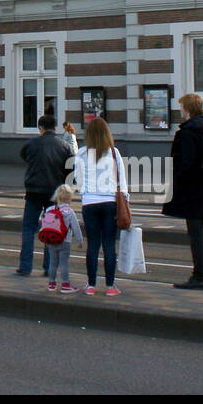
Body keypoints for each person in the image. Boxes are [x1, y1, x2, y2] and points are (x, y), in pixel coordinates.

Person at [162, 92, 203, 290]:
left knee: (196, 233)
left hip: (192, 190)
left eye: (181, 108)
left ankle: (199, 276)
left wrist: (178, 180)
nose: (180, 111)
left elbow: (185, 163)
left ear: (187, 109)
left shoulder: (188, 131)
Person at [74, 117, 127, 295]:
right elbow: (122, 180)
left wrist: (86, 192)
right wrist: (125, 200)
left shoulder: (81, 153)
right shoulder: (113, 152)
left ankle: (91, 285)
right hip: (110, 202)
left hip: (89, 202)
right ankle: (111, 286)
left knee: (93, 244)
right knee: (109, 245)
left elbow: (78, 181)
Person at [17, 113, 71, 276]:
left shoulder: (31, 144)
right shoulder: (64, 146)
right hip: (54, 193)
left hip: (33, 191)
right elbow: (70, 169)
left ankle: (25, 267)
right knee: (51, 229)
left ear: (41, 128)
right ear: (55, 128)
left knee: (28, 229)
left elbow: (24, 156)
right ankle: (49, 267)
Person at [42, 185, 84, 293]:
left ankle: (51, 284)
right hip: (65, 241)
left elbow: (45, 225)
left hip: (51, 241)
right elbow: (75, 227)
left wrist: (46, 240)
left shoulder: (50, 209)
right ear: (69, 198)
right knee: (64, 263)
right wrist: (79, 240)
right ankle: (65, 285)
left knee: (52, 263)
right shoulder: (69, 211)